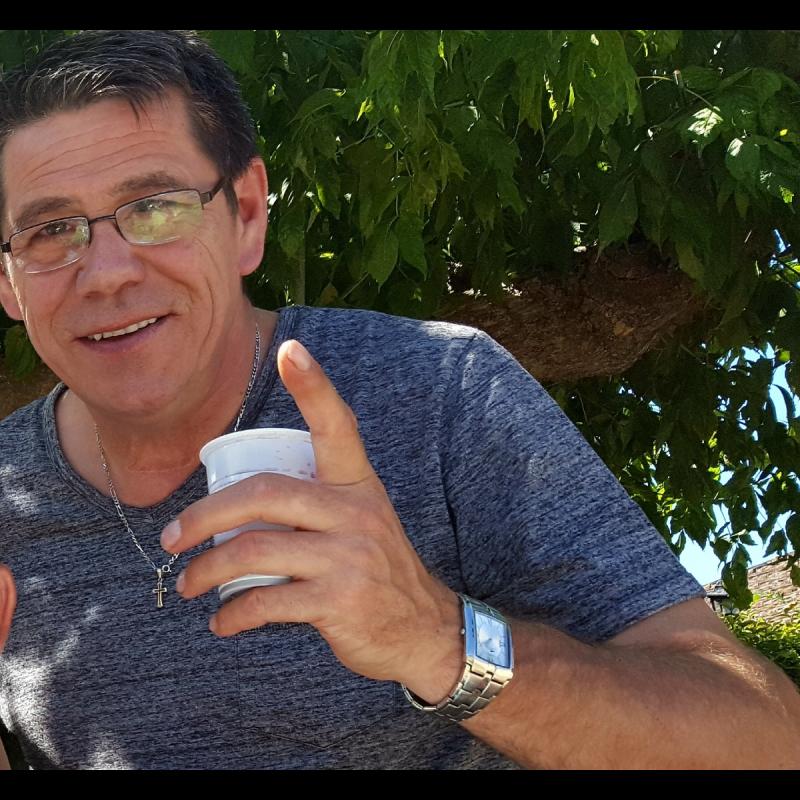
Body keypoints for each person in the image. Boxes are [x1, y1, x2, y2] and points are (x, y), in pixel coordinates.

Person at [0, 30, 797, 771]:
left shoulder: (440, 389)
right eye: (50, 230)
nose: (106, 272)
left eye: (155, 208)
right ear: (8, 280)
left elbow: (764, 738)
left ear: (245, 215)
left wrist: (436, 636)